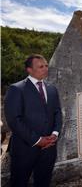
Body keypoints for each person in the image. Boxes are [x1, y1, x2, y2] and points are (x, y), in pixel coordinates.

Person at [4, 54, 62, 187]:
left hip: (49, 149)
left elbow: (57, 113)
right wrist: (38, 140)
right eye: (41, 66)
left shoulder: (52, 89)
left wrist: (55, 134)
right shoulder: (16, 89)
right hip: (25, 149)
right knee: (19, 182)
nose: (45, 69)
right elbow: (14, 120)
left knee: (43, 182)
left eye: (46, 65)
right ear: (29, 70)